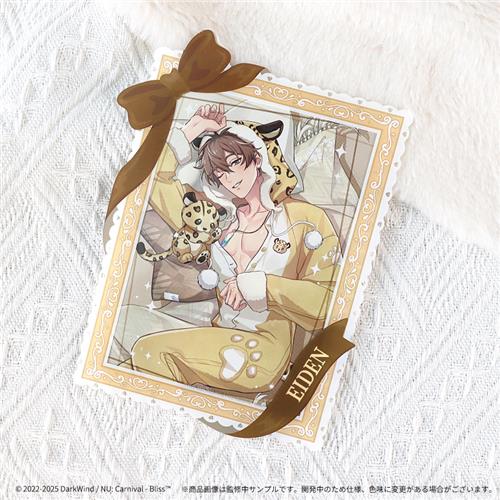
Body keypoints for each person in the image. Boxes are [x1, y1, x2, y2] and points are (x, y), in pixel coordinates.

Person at [128, 103, 341, 399]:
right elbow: (152, 179)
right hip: (222, 339)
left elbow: (331, 303)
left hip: (263, 353)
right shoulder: (212, 219)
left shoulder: (305, 220)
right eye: (219, 174)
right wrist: (191, 131)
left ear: (257, 158)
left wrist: (261, 287)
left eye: (235, 163)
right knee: (140, 354)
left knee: (147, 352)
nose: (229, 179)